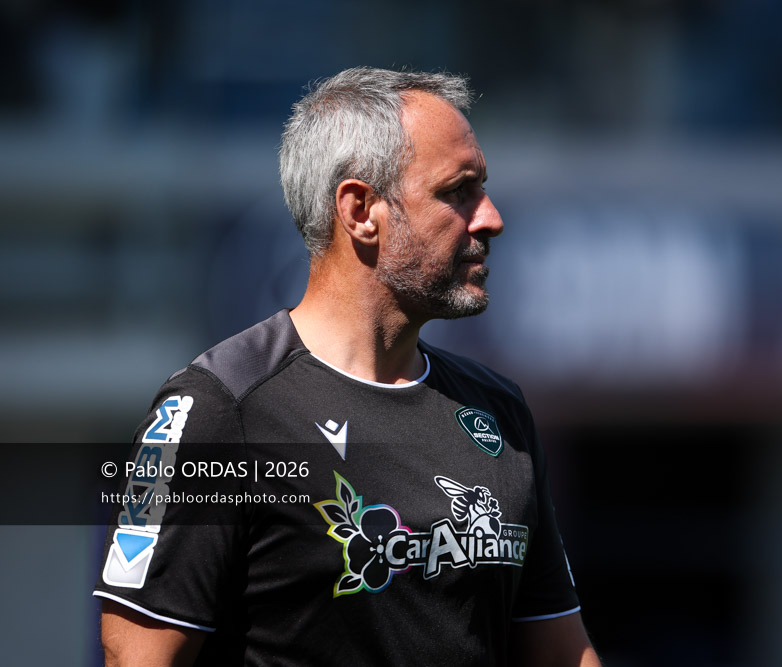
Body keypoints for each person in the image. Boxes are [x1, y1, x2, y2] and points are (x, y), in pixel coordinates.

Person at [94, 67, 600, 666]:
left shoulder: (499, 412)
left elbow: (563, 651)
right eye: (457, 191)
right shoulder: (214, 411)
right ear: (361, 210)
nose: (490, 217)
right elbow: (134, 657)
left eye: (482, 188)